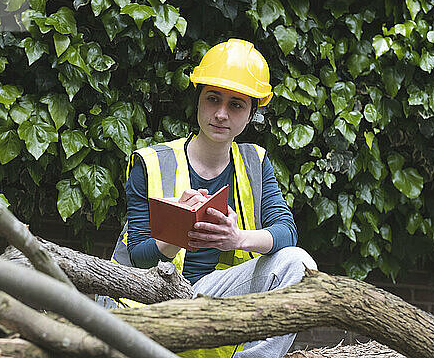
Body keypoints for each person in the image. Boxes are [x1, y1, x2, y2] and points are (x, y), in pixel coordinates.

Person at [109, 38, 317, 358]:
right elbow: (139, 256)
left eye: (236, 104)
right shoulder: (150, 163)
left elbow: (286, 232)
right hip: (150, 298)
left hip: (216, 294)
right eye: (213, 99)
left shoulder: (255, 162)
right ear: (198, 102)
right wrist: (177, 231)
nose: (221, 114)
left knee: (300, 264)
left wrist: (236, 238)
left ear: (250, 115)